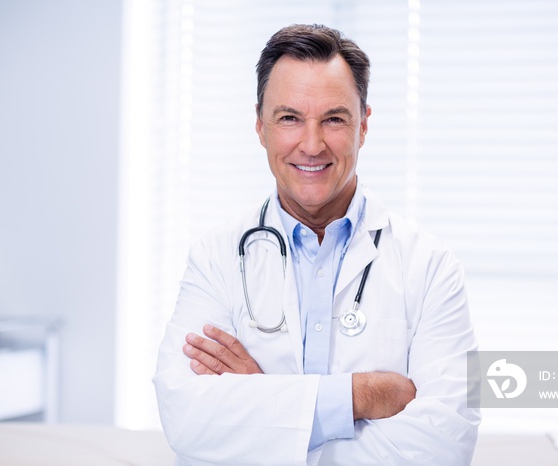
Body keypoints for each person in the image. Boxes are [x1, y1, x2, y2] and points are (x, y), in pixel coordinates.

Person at [153, 24, 479, 466]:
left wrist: (265, 406)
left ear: (363, 125)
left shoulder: (432, 267)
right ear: (259, 125)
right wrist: (360, 395)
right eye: (289, 118)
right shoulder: (214, 257)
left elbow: (445, 444)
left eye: (334, 119)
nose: (311, 144)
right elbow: (188, 418)